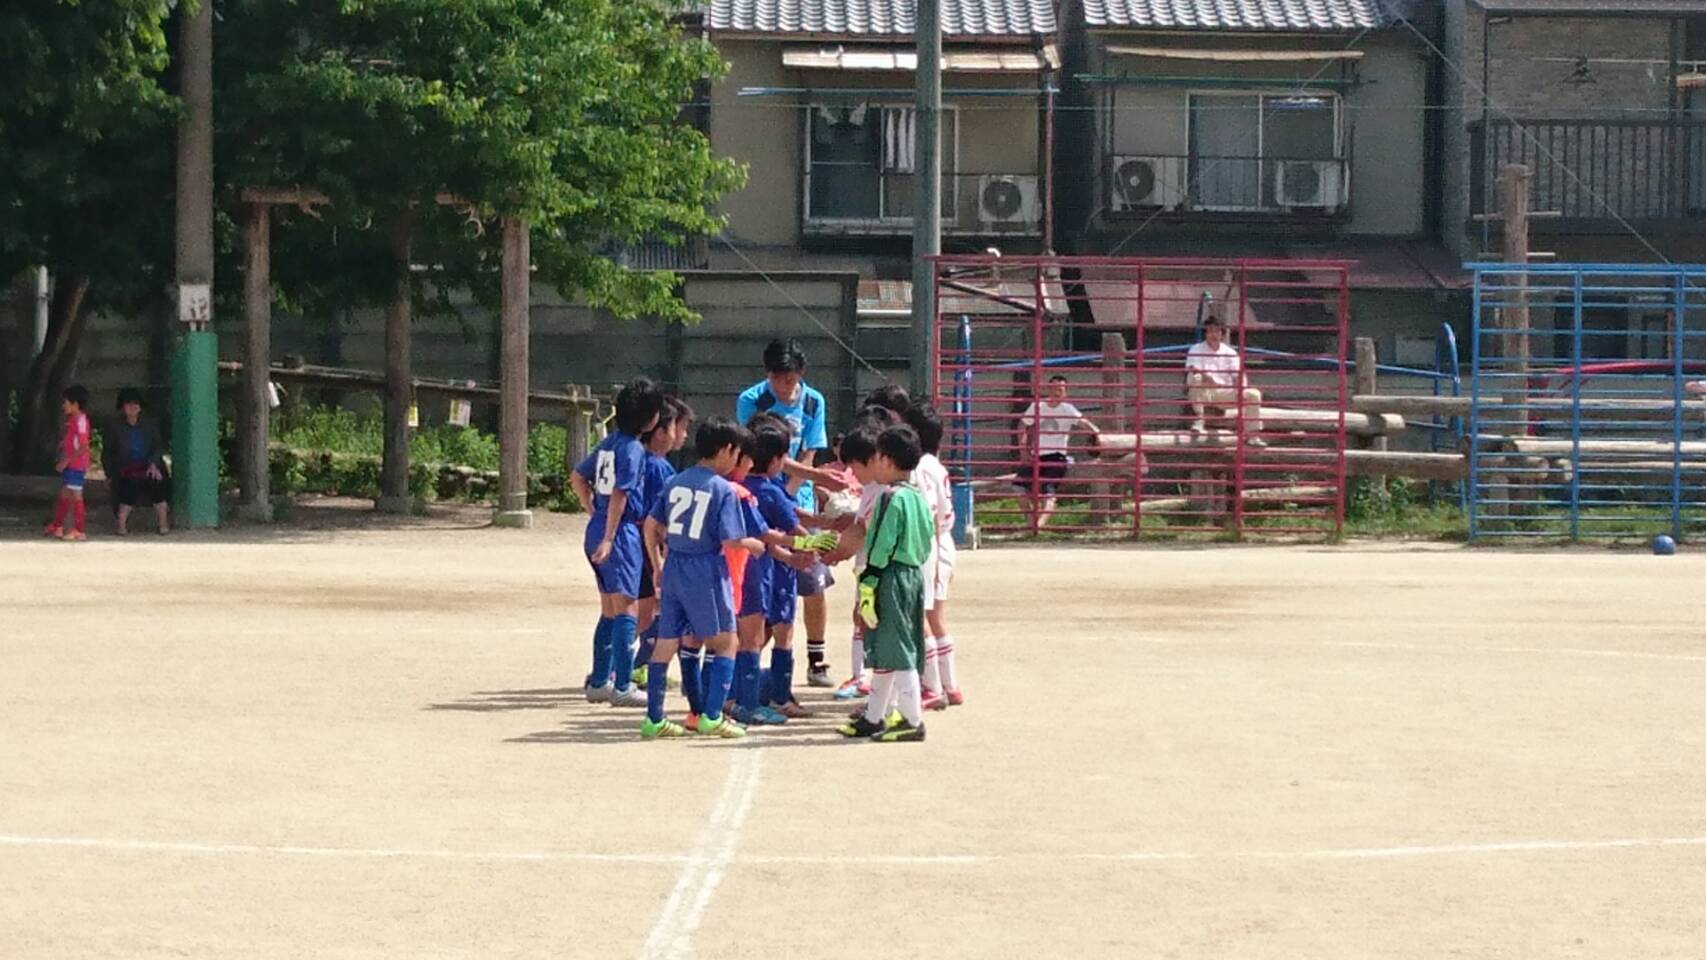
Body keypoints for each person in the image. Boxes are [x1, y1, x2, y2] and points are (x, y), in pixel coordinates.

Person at [640, 416, 766, 739]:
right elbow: (729, 540)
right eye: (736, 453)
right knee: (727, 640)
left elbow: (651, 525)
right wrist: (751, 544)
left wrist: (657, 563)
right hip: (705, 569)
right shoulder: (722, 489)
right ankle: (711, 715)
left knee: (666, 641)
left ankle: (654, 718)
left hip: (675, 566)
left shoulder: (677, 481)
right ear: (725, 449)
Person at [736, 339, 841, 686]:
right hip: (763, 493)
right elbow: (761, 450)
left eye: (791, 379)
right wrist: (780, 495)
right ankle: (744, 664)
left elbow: (809, 451)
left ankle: (816, 657)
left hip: (792, 495)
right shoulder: (752, 401)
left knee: (812, 581)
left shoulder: (813, 401)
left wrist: (791, 493)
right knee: (763, 584)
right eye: (779, 379)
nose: (785, 386)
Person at [569, 377, 665, 707]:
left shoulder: (608, 443)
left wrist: (591, 508)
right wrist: (610, 535)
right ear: (651, 419)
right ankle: (623, 684)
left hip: (597, 527)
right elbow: (622, 495)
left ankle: (599, 681)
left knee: (609, 609)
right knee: (627, 608)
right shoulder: (634, 449)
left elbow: (578, 477)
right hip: (619, 532)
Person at [836, 423, 934, 743]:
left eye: (877, 457)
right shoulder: (918, 496)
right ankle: (874, 716)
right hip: (913, 574)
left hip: (890, 575)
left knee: (897, 648)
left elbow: (881, 542)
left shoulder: (891, 498)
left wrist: (870, 580)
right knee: (885, 648)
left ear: (888, 461)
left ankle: (911, 718)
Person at [904, 402, 962, 708]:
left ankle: (932, 687)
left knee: (921, 617)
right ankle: (950, 685)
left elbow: (925, 511)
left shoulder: (919, 468)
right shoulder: (935, 465)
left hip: (929, 543)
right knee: (936, 617)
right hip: (943, 540)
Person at [632, 397, 692, 688]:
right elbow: (658, 516)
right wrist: (663, 551)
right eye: (680, 428)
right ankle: (641, 664)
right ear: (661, 432)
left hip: (637, 543)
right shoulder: (659, 468)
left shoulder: (641, 458)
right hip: (651, 545)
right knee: (656, 606)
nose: (683, 435)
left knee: (642, 606)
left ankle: (625, 665)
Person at [1016, 375, 1099, 530]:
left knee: (1048, 491)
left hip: (1056, 456)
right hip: (1036, 455)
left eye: (1060, 389)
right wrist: (1023, 450)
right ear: (1048, 389)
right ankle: (1031, 523)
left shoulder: (1067, 409)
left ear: (1065, 391)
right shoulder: (1038, 406)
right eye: (1054, 388)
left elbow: (1084, 423)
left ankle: (1038, 526)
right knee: (1019, 489)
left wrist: (1097, 434)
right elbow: (1022, 425)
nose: (1056, 392)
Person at [102, 388, 172, 536]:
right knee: (129, 486)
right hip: (126, 469)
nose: (132, 408)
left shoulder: (150, 425)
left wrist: (153, 464)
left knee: (157, 482)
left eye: (136, 404)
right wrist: (109, 474)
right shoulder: (115, 427)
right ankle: (121, 526)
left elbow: (158, 446)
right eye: (128, 404)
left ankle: (163, 523)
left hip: (149, 466)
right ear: (122, 407)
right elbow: (108, 452)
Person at [1185, 316, 1265, 444]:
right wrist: (1208, 378)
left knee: (1253, 394)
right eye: (1210, 331)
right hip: (1203, 392)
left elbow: (1238, 374)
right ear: (1205, 333)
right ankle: (1199, 419)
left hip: (1224, 392)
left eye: (1216, 331)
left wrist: (1240, 388)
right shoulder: (1196, 349)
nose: (1213, 334)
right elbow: (1193, 369)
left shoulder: (1230, 352)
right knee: (1196, 378)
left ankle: (1252, 435)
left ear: (1222, 333)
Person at [45, 384, 92, 542]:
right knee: (65, 493)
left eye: (66, 402)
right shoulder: (73, 420)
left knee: (76, 496)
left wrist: (66, 461)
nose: (63, 405)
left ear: (75, 404)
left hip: (76, 465)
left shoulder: (81, 421)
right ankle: (57, 525)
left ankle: (79, 530)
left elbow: (84, 446)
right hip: (72, 464)